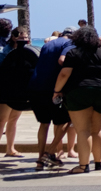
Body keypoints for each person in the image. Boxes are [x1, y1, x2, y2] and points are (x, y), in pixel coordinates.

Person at [55, 25, 101, 173]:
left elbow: (64, 74)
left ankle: (83, 165)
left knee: (83, 130)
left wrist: (56, 91)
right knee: (97, 129)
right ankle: (99, 163)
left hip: (79, 91)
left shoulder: (73, 53)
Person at [0, 26, 36, 159]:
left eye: (26, 37)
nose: (24, 40)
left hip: (20, 90)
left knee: (13, 119)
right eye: (21, 37)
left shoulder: (28, 52)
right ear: (13, 37)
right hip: (6, 89)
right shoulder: (4, 51)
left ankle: (10, 149)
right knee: (1, 120)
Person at [29, 28, 73, 170]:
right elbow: (62, 60)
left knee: (44, 123)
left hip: (36, 86)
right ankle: (49, 153)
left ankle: (40, 161)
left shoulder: (47, 44)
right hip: (53, 88)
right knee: (65, 121)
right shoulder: (70, 44)